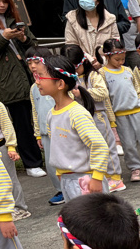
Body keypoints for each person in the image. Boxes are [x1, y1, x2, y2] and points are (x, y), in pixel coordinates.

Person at [0, 0, 44, 177]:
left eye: (5, 1)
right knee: (21, 121)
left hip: (28, 72)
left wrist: (23, 38)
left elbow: (34, 45)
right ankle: (31, 163)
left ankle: (44, 158)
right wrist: (4, 37)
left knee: (38, 116)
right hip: (8, 77)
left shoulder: (13, 17)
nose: (2, 5)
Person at [38, 54, 110, 199]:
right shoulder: (52, 114)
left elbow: (99, 145)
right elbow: (58, 147)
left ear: (60, 84)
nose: (37, 81)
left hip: (86, 180)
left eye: (41, 77)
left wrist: (97, 178)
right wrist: (60, 172)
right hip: (67, 180)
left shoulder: (77, 114)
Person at [64, 45, 125, 193]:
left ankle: (115, 177)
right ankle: (101, 176)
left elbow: (103, 93)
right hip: (82, 118)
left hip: (98, 115)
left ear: (83, 62)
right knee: (91, 148)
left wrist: (82, 93)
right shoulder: (70, 79)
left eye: (76, 67)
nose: (74, 71)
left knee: (107, 146)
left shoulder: (92, 75)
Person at [0, 70, 30, 218]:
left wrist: (11, 147)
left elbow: (7, 126)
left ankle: (20, 208)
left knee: (9, 178)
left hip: (0, 146)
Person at [100, 39, 140, 184]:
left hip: (137, 110)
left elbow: (138, 89)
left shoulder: (127, 70)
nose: (120, 62)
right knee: (128, 144)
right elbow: (106, 98)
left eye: (123, 59)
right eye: (117, 59)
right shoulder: (102, 73)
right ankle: (135, 168)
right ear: (107, 56)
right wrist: (111, 118)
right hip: (120, 114)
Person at [26, 48, 66, 203]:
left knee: (65, 161)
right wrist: (38, 134)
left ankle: (72, 188)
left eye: (37, 62)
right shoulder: (33, 88)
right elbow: (35, 111)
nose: (33, 66)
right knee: (51, 165)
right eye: (30, 62)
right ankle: (61, 190)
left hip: (60, 130)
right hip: (45, 133)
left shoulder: (56, 83)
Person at [64, 0, 121, 65]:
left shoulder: (110, 19)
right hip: (83, 66)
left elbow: (115, 44)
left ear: (97, 0)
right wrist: (90, 60)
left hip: (107, 66)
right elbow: (71, 45)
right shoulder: (72, 18)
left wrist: (102, 61)